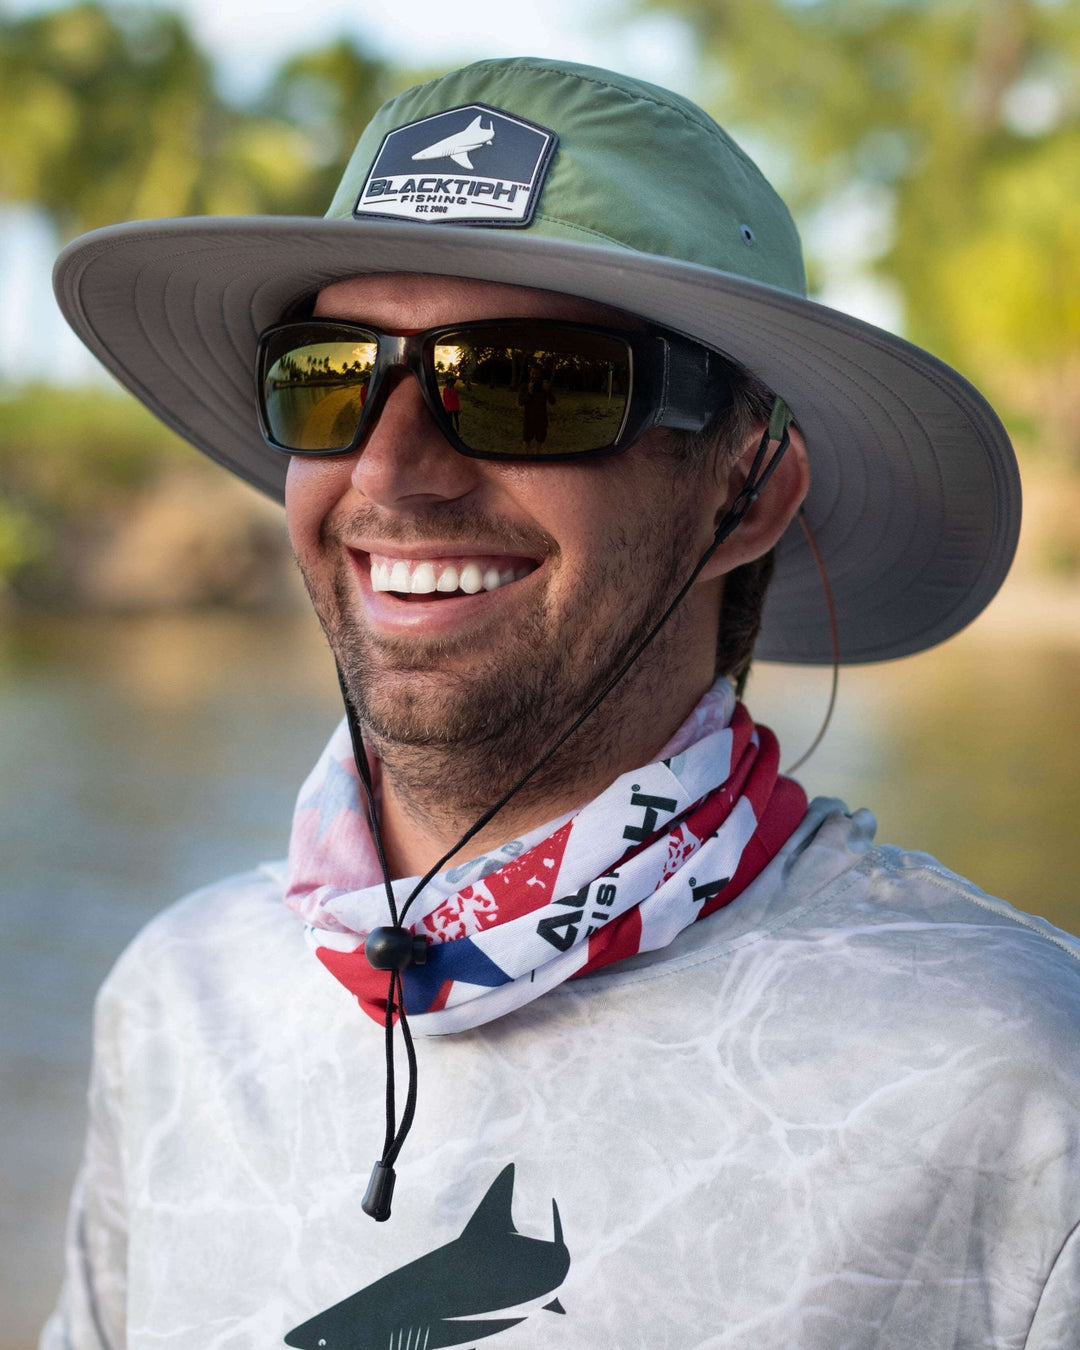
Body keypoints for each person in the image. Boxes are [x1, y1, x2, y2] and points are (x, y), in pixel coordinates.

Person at [44, 57, 1080, 1350]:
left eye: (532, 382)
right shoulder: (181, 995)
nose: (392, 469)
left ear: (747, 492)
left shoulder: (1018, 1075)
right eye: (329, 375)